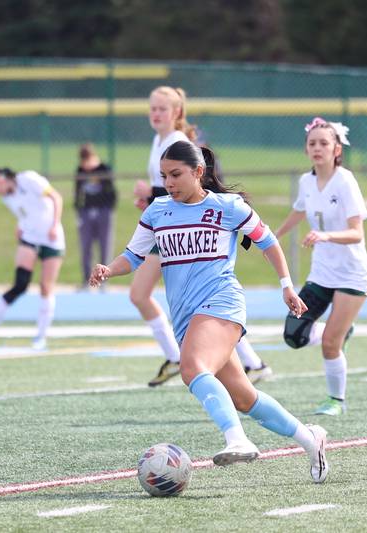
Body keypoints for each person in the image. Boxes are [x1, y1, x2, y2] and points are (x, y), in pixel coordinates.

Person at [90, 140, 329, 482]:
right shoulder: (157, 211)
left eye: (176, 174)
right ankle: (311, 440)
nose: (169, 182)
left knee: (192, 367)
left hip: (222, 302)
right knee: (245, 398)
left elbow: (268, 242)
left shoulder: (227, 207)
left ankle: (238, 439)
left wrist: (286, 285)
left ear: (199, 172)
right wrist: (109, 269)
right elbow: (133, 256)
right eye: (164, 176)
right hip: (186, 316)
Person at [135, 86, 270, 387]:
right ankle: (250, 362)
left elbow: (193, 187)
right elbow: (170, 192)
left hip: (187, 228)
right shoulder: (161, 140)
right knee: (154, 297)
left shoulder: (177, 141)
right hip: (170, 226)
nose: (156, 114)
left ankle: (184, 357)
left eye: (162, 109)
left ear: (177, 112)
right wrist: (149, 200)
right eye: (152, 108)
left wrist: (151, 193)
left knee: (191, 303)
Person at [275, 117, 367, 416]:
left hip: (351, 275)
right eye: (312, 143)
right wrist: (271, 236)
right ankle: (341, 330)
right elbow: (298, 211)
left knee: (330, 343)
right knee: (293, 335)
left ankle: (336, 401)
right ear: (306, 149)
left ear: (336, 149)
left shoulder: (345, 181)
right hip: (322, 273)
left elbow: (357, 232)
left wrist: (326, 235)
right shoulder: (307, 182)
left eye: (324, 143)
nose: (317, 148)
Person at [0, 167, 65, 350]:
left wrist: (54, 225)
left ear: (0, 179)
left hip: (52, 238)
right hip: (30, 238)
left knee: (46, 287)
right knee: (20, 284)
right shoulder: (7, 198)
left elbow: (56, 198)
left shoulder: (28, 179)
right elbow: (26, 213)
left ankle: (41, 336)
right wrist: (20, 225)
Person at [74, 143, 116, 286]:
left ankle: (103, 280)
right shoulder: (80, 170)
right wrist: (79, 210)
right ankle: (86, 280)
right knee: (85, 246)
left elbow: (112, 192)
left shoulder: (104, 169)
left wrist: (108, 209)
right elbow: (77, 193)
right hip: (86, 212)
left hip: (103, 211)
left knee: (105, 246)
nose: (86, 166)